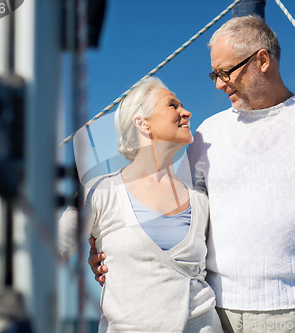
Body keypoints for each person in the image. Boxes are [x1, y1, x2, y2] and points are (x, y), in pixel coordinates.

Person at [88, 16, 295, 332]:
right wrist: (107, 246)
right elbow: (176, 215)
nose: (220, 84)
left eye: (226, 72)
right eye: (214, 75)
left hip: (294, 316)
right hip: (214, 315)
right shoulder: (208, 134)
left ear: (262, 60)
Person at [58, 77, 223, 333]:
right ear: (142, 123)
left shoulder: (201, 199)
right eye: (173, 105)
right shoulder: (99, 192)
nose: (186, 111)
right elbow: (48, 252)